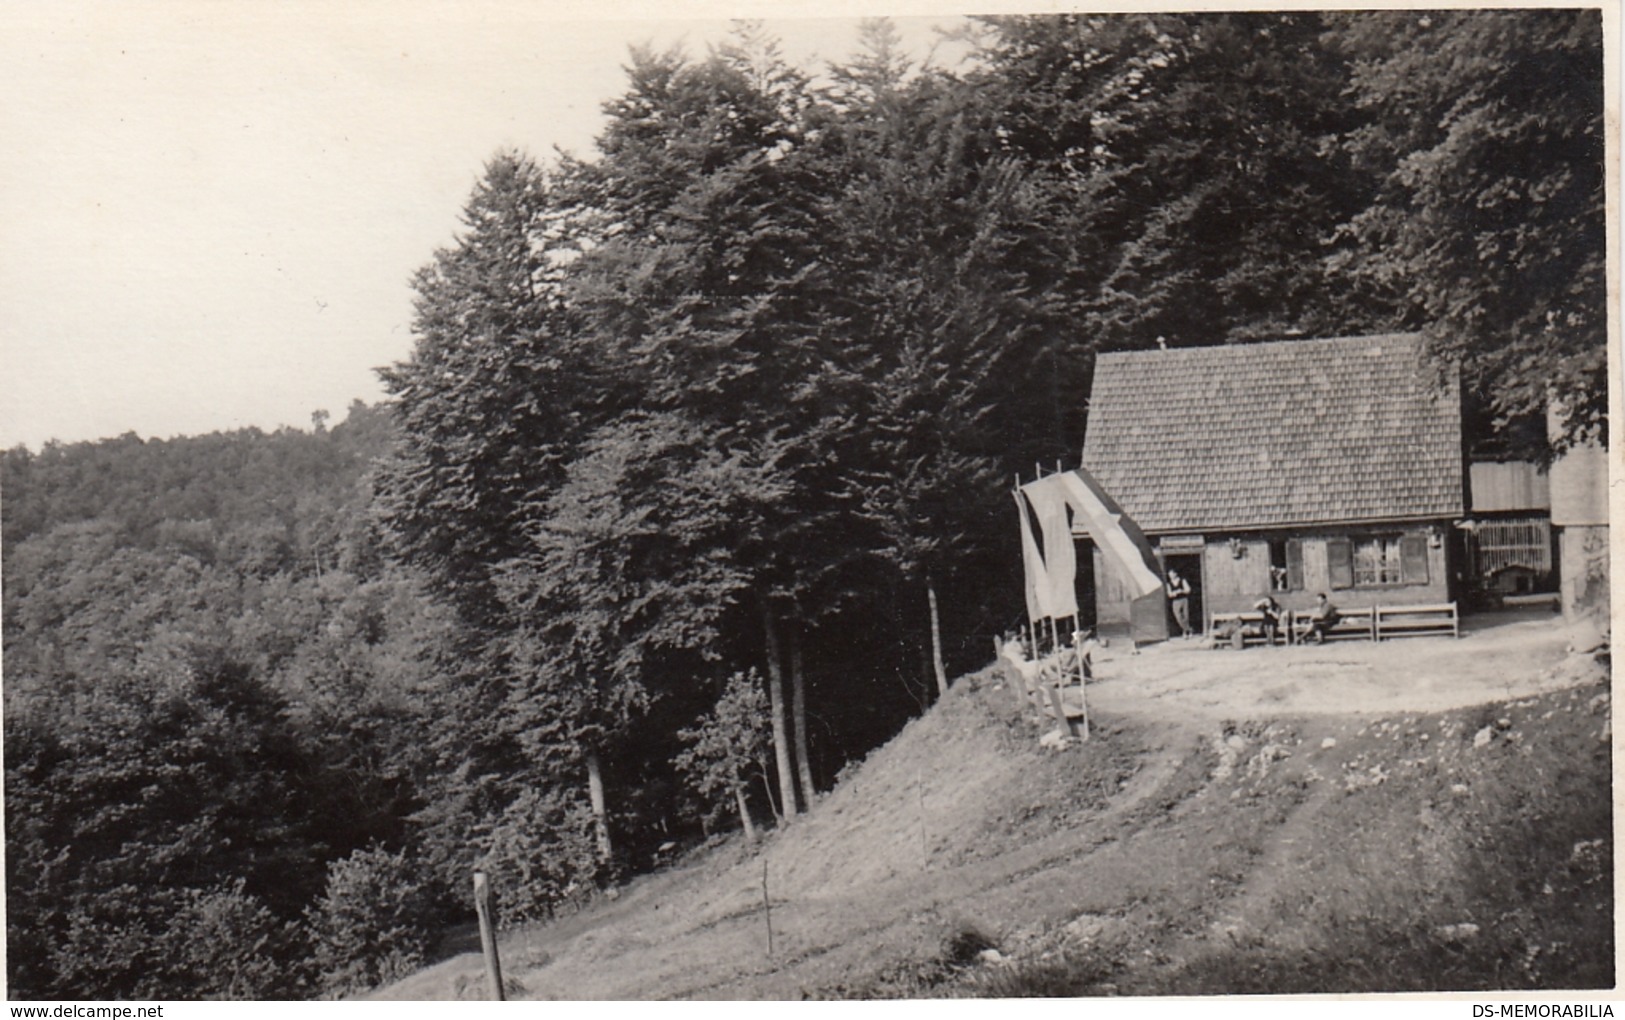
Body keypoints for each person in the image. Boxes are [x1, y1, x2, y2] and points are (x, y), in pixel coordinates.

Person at [1166, 568, 1193, 638]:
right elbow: (1169, 594)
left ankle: (1185, 632)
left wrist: (1181, 591)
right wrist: (1174, 593)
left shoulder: (1182, 580)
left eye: (1171, 574)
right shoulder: (1169, 584)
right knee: (1178, 617)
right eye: (1169, 575)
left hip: (1184, 599)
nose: (1170, 576)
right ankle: (1189, 629)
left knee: (1185, 616)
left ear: (1175, 574)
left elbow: (1188, 590)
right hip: (1175, 601)